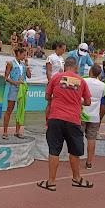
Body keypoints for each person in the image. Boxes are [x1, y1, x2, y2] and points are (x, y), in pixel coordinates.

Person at [37, 57, 92, 191]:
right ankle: (76, 178)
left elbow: (46, 97)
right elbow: (88, 102)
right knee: (74, 151)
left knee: (54, 150)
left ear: (64, 66)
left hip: (55, 118)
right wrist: (77, 102)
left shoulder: (56, 77)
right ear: (76, 67)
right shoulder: (81, 81)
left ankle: (51, 182)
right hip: (73, 119)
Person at [2, 47, 32, 139]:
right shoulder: (10, 63)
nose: (25, 56)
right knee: (9, 110)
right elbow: (6, 77)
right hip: (13, 89)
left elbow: (29, 76)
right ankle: (5, 132)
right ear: (18, 53)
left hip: (22, 90)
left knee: (20, 110)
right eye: (24, 54)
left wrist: (27, 65)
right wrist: (15, 83)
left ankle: (17, 131)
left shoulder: (23, 65)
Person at [82, 64, 105, 170]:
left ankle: (75, 158)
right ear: (99, 73)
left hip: (82, 114)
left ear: (90, 71)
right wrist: (100, 116)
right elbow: (102, 102)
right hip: (95, 116)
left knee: (78, 137)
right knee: (92, 139)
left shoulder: (84, 81)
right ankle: (89, 162)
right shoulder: (103, 85)